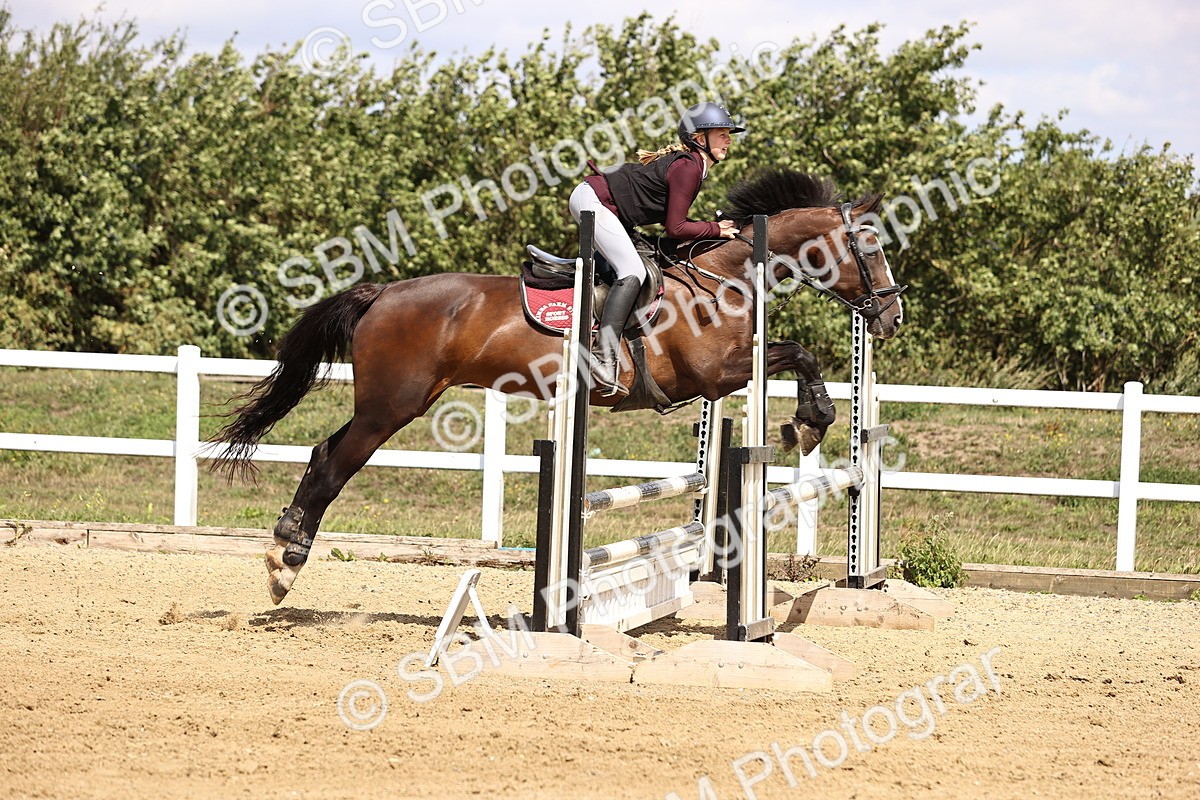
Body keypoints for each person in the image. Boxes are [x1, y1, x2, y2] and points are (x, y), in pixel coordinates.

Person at [569, 101, 745, 396]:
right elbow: (676, 228)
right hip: (595, 202)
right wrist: (716, 229)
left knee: (643, 259)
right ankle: (602, 355)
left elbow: (673, 235)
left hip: (608, 208)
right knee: (633, 270)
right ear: (700, 139)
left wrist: (712, 231)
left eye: (729, 133)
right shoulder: (688, 168)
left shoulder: (694, 166)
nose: (728, 139)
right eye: (722, 133)